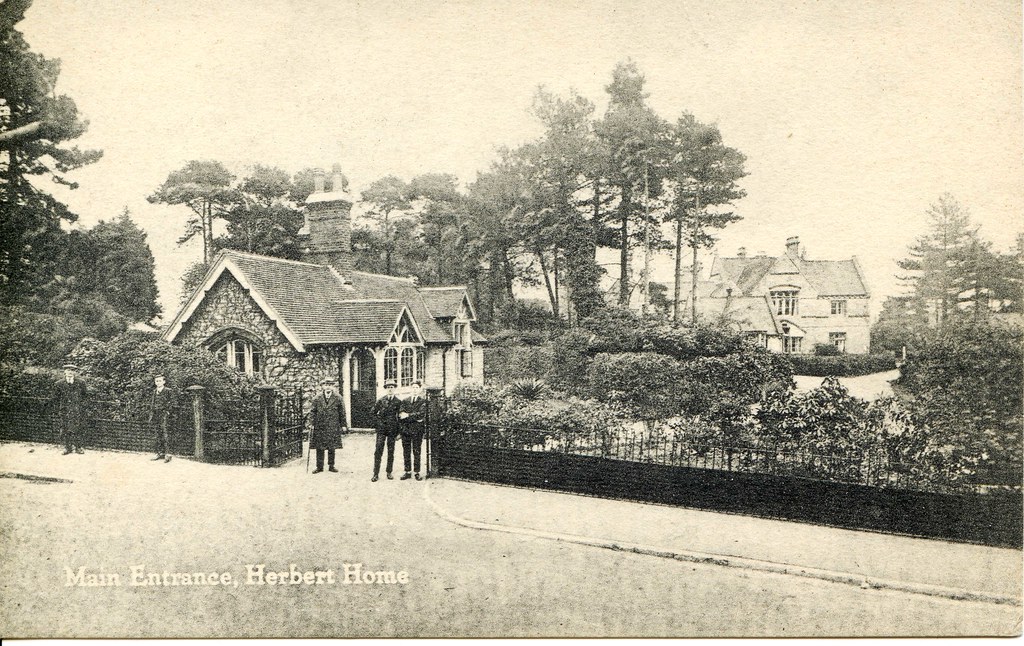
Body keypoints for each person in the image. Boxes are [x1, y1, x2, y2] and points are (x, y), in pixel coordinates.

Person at [309, 378, 344, 474]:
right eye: (326, 384)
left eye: (330, 384)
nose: (328, 386)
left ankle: (331, 466)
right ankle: (319, 467)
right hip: (320, 426)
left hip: (333, 425)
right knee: (319, 447)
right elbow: (313, 412)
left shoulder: (338, 398)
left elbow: (342, 412)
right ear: (323, 386)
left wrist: (343, 425)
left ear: (333, 386)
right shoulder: (317, 398)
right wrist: (312, 423)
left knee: (331, 446)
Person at [370, 379, 401, 482]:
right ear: (386, 389)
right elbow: (373, 413)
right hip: (381, 430)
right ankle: (375, 473)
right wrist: (378, 424)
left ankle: (389, 472)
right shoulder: (381, 400)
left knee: (391, 451)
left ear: (394, 388)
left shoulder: (398, 402)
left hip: (392, 430)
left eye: (392, 387)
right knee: (378, 450)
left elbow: (400, 418)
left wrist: (399, 432)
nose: (390, 389)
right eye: (388, 387)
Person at [54, 363, 87, 455]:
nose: (70, 372)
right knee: (64, 428)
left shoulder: (81, 383)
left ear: (75, 372)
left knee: (78, 428)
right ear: (64, 372)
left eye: (72, 370)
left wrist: (82, 407)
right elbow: (56, 399)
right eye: (68, 370)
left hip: (77, 410)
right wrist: (59, 410)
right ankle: (67, 448)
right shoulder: (59, 384)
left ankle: (78, 447)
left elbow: (85, 397)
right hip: (64, 410)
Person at [399, 380, 427, 480]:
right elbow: (401, 414)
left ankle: (417, 472)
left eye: (417, 387)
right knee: (406, 451)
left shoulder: (423, 401)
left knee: (416, 451)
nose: (415, 389)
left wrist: (408, 415)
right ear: (411, 389)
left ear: (420, 389)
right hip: (406, 430)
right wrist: (413, 417)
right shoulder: (405, 401)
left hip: (417, 431)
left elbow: (421, 414)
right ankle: (407, 471)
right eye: (413, 387)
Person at [148, 374, 175, 463]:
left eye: (160, 381)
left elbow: (171, 402)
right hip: (156, 415)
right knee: (157, 434)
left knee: (165, 434)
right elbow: (152, 403)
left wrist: (167, 412)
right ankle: (159, 453)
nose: (158, 382)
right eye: (156, 381)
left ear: (164, 381)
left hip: (164, 415)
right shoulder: (154, 391)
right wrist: (151, 414)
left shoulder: (168, 391)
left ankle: (168, 454)